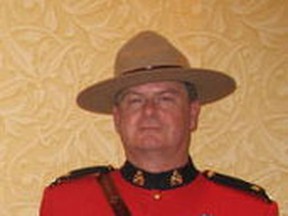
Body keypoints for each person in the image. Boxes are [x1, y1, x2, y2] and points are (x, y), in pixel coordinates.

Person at [40, 31, 278, 216]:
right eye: (135, 100)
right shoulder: (66, 203)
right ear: (117, 118)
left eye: (166, 98)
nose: (149, 111)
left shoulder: (246, 209)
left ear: (192, 113)